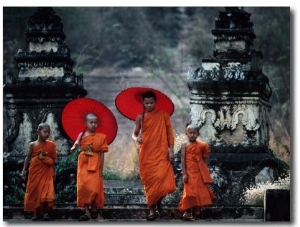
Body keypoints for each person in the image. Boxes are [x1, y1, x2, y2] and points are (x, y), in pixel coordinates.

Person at [132, 90, 176, 221]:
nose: (149, 105)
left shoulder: (163, 115)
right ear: (143, 103)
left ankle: (159, 203)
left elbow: (170, 134)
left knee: (163, 179)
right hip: (146, 153)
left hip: (161, 151)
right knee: (150, 181)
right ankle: (152, 210)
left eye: (151, 102)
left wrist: (171, 150)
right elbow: (134, 133)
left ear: (155, 102)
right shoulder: (141, 117)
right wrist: (136, 139)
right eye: (147, 103)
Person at [70, 113, 109, 221]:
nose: (93, 125)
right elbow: (72, 149)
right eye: (91, 122)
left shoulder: (101, 137)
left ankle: (94, 207)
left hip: (96, 162)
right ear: (85, 123)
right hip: (84, 162)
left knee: (94, 187)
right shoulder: (81, 135)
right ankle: (86, 212)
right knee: (84, 188)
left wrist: (101, 168)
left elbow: (102, 153)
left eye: (95, 122)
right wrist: (75, 145)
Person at [177, 124, 216, 221]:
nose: (192, 135)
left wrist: (205, 173)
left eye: (194, 133)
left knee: (198, 192)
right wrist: (184, 173)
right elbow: (182, 159)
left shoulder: (203, 145)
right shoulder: (184, 145)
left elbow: (205, 160)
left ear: (198, 134)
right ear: (186, 134)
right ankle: (187, 211)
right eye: (190, 133)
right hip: (189, 172)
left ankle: (193, 212)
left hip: (199, 172)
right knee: (189, 193)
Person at [22, 123, 57, 221]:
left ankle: (45, 212)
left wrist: (54, 171)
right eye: (45, 132)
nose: (47, 134)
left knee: (46, 192)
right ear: (38, 132)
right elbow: (28, 158)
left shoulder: (51, 145)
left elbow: (53, 159)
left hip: (47, 171)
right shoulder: (33, 144)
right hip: (35, 171)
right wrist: (24, 170)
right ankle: (37, 213)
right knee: (36, 192)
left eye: (48, 132)